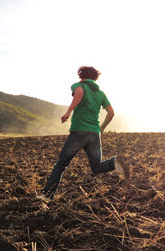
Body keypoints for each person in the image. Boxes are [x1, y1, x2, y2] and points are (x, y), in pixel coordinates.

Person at [37, 66, 129, 206]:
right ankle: (114, 162)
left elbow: (79, 92)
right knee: (97, 166)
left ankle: (47, 196)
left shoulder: (79, 85)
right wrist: (102, 127)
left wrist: (68, 112)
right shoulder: (100, 93)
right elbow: (111, 112)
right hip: (94, 134)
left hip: (79, 132)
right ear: (95, 78)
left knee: (61, 164)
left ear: (81, 75)